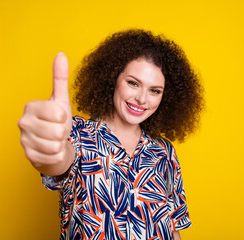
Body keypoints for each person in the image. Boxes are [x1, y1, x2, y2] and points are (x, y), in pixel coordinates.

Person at [18, 29, 204, 240]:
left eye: (155, 90)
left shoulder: (163, 151)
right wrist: (51, 150)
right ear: (113, 79)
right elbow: (59, 159)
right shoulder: (78, 134)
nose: (142, 99)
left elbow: (172, 227)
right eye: (133, 83)